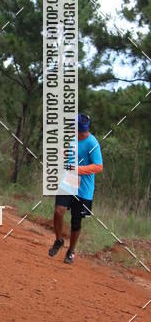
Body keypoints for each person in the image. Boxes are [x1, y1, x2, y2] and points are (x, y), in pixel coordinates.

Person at [49, 113, 103, 265]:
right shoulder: (73, 139)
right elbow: (71, 157)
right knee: (58, 211)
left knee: (76, 221)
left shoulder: (93, 144)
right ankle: (59, 240)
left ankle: (71, 251)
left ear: (79, 129)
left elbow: (98, 166)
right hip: (68, 181)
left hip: (84, 188)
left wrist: (78, 170)